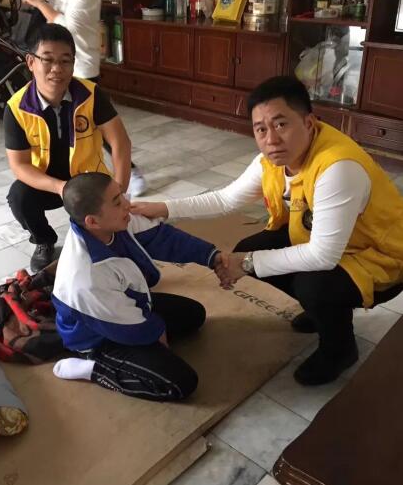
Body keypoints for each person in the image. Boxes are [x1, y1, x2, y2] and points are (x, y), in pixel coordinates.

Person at [132, 76, 403, 386]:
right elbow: (226, 198)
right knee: (253, 248)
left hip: (381, 257)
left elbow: (323, 255)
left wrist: (247, 263)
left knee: (312, 285)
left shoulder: (337, 168)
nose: (271, 139)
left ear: (309, 122)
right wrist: (163, 208)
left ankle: (340, 348)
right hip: (332, 241)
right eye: (261, 129)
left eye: (281, 124)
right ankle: (324, 313)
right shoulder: (272, 160)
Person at [51, 172, 229, 401]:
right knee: (179, 383)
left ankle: (144, 354)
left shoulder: (116, 221)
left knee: (194, 314)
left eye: (122, 195)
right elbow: (130, 329)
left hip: (125, 304)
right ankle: (93, 368)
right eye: (117, 202)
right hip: (99, 335)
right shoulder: (87, 277)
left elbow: (164, 238)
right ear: (92, 221)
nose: (127, 204)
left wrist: (212, 257)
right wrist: (157, 338)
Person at [9, 0, 147, 196]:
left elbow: (67, 27)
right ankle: (70, 175)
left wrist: (38, 2)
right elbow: (47, 4)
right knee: (72, 125)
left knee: (93, 124)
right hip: (59, 60)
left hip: (79, 63)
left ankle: (128, 171)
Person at [4, 23, 132, 272]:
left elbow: (120, 142)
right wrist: (59, 187)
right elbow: (19, 166)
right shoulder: (17, 108)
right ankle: (44, 241)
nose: (57, 69)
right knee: (19, 197)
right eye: (48, 60)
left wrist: (120, 191)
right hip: (48, 182)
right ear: (31, 62)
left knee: (106, 245)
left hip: (88, 179)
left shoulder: (91, 95)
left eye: (65, 61)